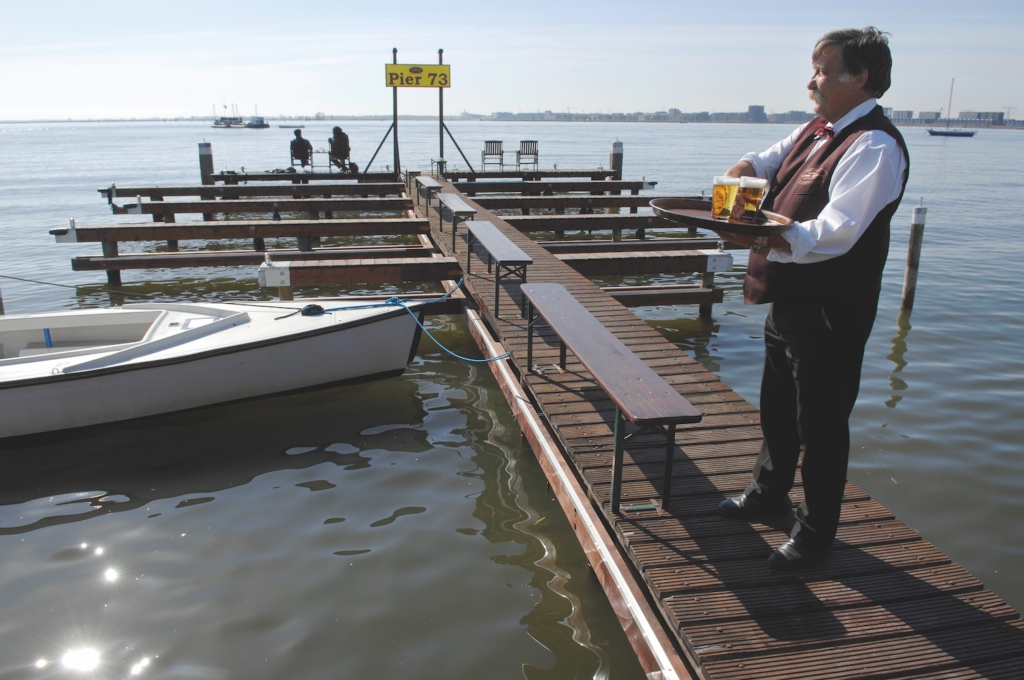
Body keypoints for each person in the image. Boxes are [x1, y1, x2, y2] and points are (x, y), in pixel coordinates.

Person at [712, 27, 910, 571]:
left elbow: (832, 234)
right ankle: (768, 493)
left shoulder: (874, 145)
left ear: (860, 77)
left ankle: (816, 533)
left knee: (821, 423)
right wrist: (738, 176)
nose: (811, 81)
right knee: (777, 405)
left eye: (822, 70)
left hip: (831, 306)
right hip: (789, 296)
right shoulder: (816, 130)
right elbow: (762, 163)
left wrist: (754, 232)